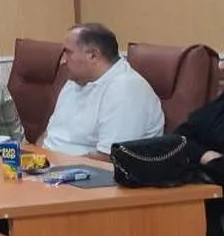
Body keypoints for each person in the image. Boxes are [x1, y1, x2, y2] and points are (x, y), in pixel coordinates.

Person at [41, 23, 164, 155]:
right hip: (47, 164)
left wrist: (57, 165)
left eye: (68, 53)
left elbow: (110, 157)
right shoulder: (75, 81)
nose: (62, 61)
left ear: (93, 55)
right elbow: (51, 134)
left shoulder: (125, 90)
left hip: (83, 167)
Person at [176, 23, 224, 236]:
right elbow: (180, 137)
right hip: (213, 202)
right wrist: (209, 157)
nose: (223, 65)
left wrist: (213, 163)